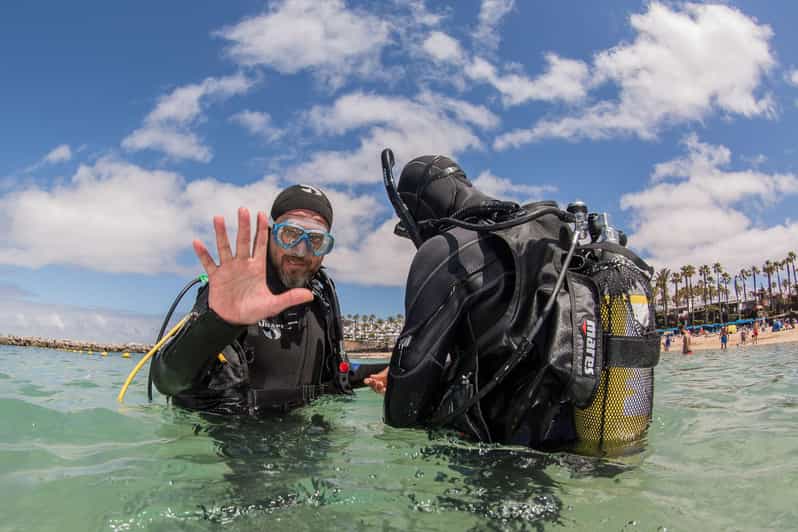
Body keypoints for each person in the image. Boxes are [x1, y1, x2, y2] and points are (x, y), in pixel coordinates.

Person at [365, 155, 659, 452]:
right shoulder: (546, 234)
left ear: (418, 208)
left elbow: (405, 404)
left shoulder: (447, 249)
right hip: (581, 439)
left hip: (503, 459)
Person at [151, 184, 385, 414]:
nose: (300, 251)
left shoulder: (320, 301)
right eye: (290, 234)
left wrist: (392, 369)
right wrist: (220, 323)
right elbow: (168, 381)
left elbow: (338, 376)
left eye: (315, 240)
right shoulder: (237, 290)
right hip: (227, 437)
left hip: (300, 436)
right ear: (271, 234)